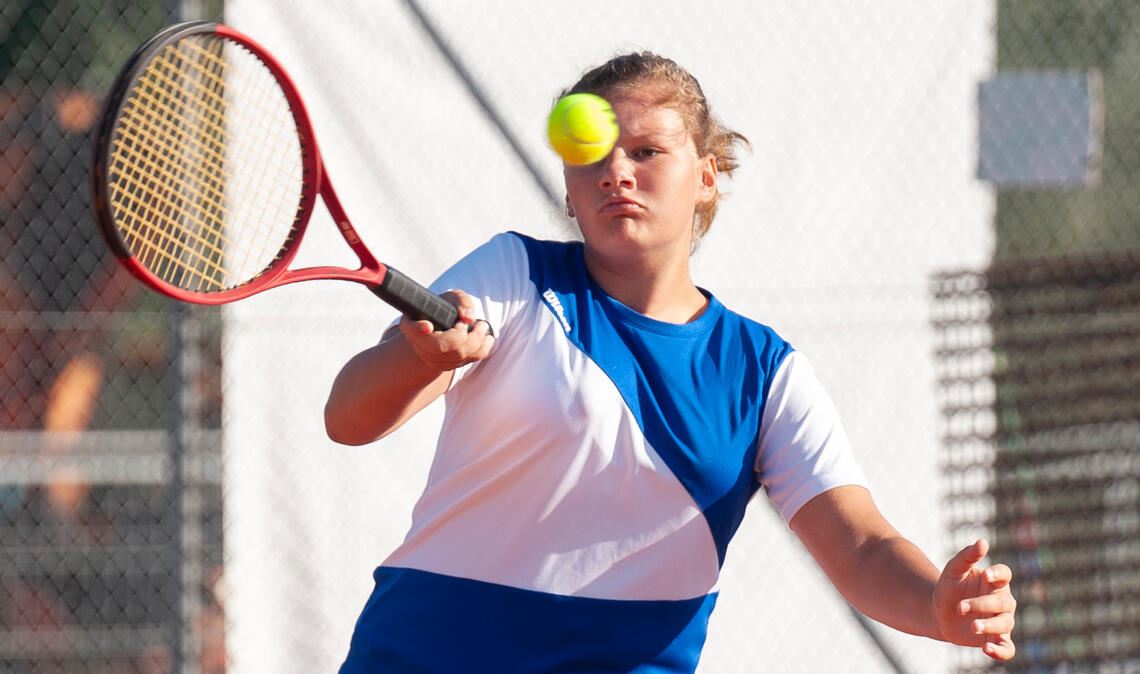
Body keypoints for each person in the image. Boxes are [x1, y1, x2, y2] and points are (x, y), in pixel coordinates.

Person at [325, 52, 1016, 673]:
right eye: (591, 155)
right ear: (569, 190)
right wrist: (418, 359)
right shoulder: (513, 274)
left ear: (707, 177)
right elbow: (348, 417)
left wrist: (935, 606)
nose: (616, 172)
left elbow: (860, 545)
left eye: (647, 151)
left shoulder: (761, 372)